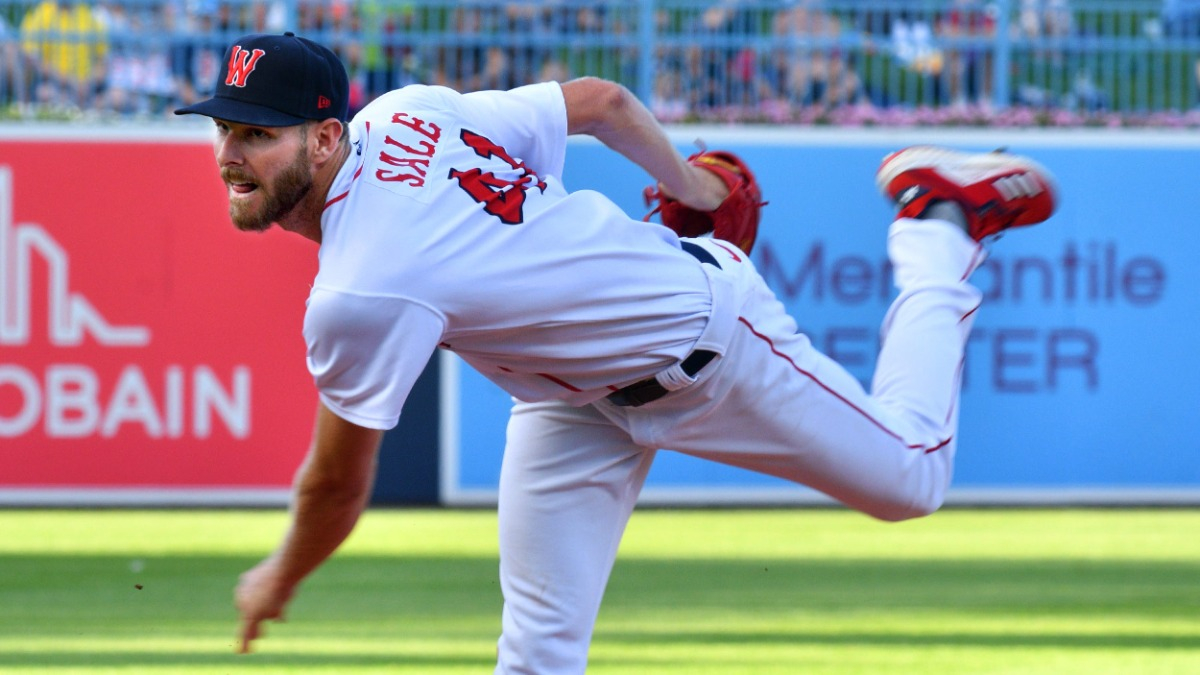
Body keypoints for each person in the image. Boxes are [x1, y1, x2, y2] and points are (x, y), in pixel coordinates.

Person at [175, 32, 1057, 674]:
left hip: (704, 342)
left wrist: (281, 574)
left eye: (259, 133)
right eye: (224, 127)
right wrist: (696, 187)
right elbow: (600, 102)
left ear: (326, 138)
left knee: (912, 476)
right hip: (573, 402)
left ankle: (940, 223)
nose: (229, 154)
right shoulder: (410, 112)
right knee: (536, 656)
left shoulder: (361, 285)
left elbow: (335, 485)